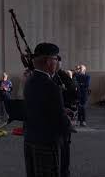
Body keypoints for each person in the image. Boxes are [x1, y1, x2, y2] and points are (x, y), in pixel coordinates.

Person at [24, 43, 69, 177]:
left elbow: (40, 107)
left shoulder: (29, 81)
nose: (57, 63)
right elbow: (59, 118)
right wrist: (68, 124)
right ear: (49, 61)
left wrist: (61, 110)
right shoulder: (51, 86)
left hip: (30, 138)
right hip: (47, 141)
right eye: (56, 59)